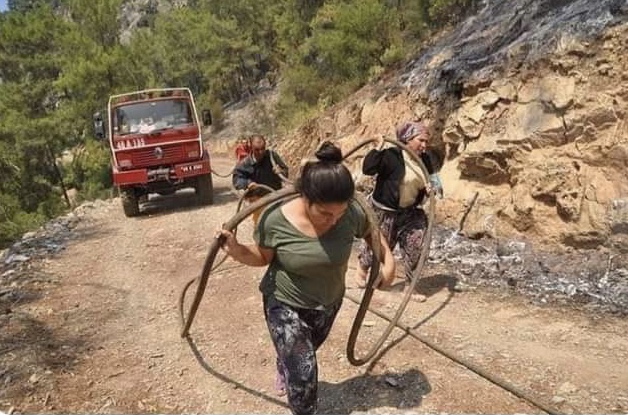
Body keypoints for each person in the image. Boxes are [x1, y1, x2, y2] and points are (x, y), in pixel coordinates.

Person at [218, 141, 395, 415]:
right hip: (284, 302)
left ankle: (284, 364)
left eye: (339, 212)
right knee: (304, 370)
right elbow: (262, 257)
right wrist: (237, 250)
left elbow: (372, 233)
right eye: (324, 213)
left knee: (303, 353)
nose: (334, 219)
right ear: (305, 198)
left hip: (327, 303)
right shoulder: (275, 219)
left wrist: (389, 262)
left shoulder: (350, 213)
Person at [356, 121, 443, 299]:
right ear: (408, 139)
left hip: (410, 211)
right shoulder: (391, 155)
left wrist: (432, 189)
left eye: (426, 141)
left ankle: (410, 286)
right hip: (384, 210)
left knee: (417, 245)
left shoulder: (424, 159)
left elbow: (435, 183)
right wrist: (378, 148)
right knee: (378, 247)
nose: (424, 145)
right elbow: (368, 168)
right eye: (421, 140)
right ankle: (363, 268)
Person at [232, 134, 290, 223]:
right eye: (257, 150)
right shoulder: (245, 163)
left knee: (280, 222)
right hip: (258, 200)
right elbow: (236, 181)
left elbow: (285, 171)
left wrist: (281, 171)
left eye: (263, 148)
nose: (261, 152)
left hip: (275, 195)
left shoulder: (272, 156)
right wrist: (248, 183)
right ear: (251, 148)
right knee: (261, 223)